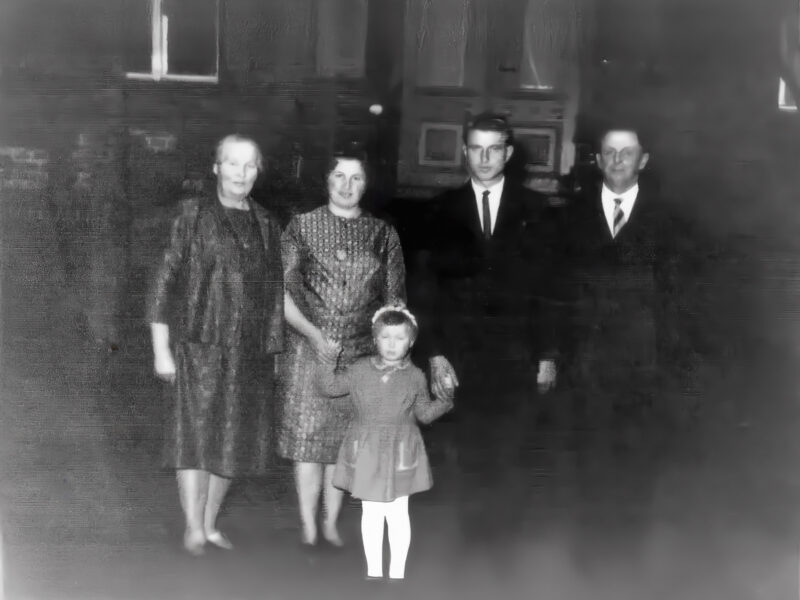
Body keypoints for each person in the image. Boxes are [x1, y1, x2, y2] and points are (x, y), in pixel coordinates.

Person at [416, 112, 563, 546]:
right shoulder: (439, 210)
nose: (484, 158)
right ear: (465, 151)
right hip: (459, 355)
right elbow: (425, 288)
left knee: (512, 451)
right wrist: (435, 353)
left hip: (516, 353)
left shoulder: (537, 211)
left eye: (493, 149)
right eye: (476, 149)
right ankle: (474, 541)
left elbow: (548, 289)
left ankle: (505, 543)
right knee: (468, 451)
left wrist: (547, 355)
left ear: (508, 153)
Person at [147, 134, 285, 556]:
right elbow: (162, 281)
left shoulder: (267, 223)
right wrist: (161, 348)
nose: (241, 173)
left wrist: (273, 354)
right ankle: (192, 526)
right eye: (232, 163)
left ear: (258, 171)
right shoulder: (191, 214)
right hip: (197, 346)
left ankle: (208, 525)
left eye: (249, 165)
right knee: (194, 439)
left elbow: (274, 293)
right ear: (216, 168)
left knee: (233, 441)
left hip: (248, 354)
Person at [562, 122, 684, 566]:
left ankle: (628, 556)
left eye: (627, 152)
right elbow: (556, 290)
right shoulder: (569, 215)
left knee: (637, 460)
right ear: (597, 160)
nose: (617, 161)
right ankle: (589, 557)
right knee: (588, 458)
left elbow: (679, 296)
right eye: (609, 152)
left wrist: (672, 361)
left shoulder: (670, 221)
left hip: (644, 365)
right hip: (586, 363)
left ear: (643, 160)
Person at [276, 147, 406, 548]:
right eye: (339, 176)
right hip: (308, 351)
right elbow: (280, 291)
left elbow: (395, 304)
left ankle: (330, 524)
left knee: (342, 444)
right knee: (307, 444)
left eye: (356, 178)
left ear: (366, 184)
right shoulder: (301, 227)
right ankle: (308, 526)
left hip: (360, 356)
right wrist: (315, 336)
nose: (347, 186)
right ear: (326, 180)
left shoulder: (383, 234)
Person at [316, 305, 453, 582]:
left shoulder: (415, 376)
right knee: (372, 512)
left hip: (401, 451)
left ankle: (398, 574)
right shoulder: (359, 370)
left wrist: (445, 399)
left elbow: (425, 414)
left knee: (398, 513)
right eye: (385, 337)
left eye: (400, 338)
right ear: (374, 339)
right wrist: (328, 360)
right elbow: (329, 387)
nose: (392, 344)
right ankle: (374, 573)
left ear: (411, 342)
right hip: (367, 448)